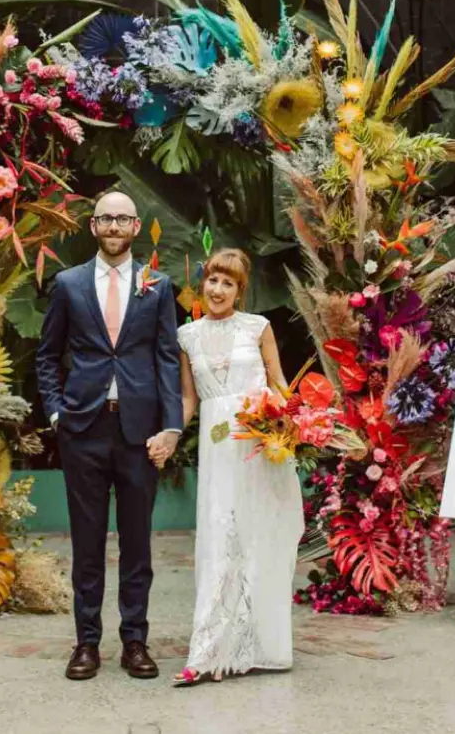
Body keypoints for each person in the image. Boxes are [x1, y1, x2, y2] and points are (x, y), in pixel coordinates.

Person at [36, 191, 183, 682]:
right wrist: (57, 414)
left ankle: (135, 641)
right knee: (88, 542)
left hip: (140, 433)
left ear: (136, 226)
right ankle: (86, 643)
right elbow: (46, 356)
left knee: (138, 542)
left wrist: (171, 425)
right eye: (106, 219)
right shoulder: (69, 284)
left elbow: (166, 357)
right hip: (84, 429)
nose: (115, 226)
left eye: (123, 218)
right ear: (93, 226)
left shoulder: (157, 285)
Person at [171, 248, 304, 685]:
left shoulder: (258, 328)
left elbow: (279, 381)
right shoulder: (186, 335)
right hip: (217, 445)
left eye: (228, 283)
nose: (218, 289)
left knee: (260, 537)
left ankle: (263, 646)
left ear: (239, 291)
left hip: (260, 446)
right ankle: (207, 653)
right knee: (217, 538)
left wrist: (301, 423)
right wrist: (169, 432)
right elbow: (189, 398)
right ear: (203, 282)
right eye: (213, 280)